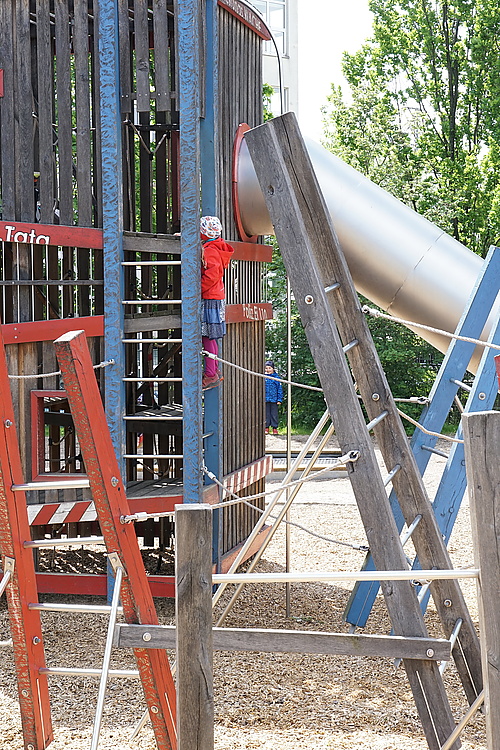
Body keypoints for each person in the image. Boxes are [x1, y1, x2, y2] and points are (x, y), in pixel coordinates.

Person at [200, 215, 234, 389]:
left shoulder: (211, 250)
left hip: (209, 297)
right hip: (215, 296)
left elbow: (212, 275)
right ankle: (213, 370)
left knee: (207, 336)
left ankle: (211, 374)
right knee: (210, 337)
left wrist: (197, 290)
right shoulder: (214, 246)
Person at [264, 360, 282, 434]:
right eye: (266, 368)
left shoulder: (276, 378)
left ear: (273, 369)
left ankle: (275, 428)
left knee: (274, 414)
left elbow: (279, 389)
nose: (268, 370)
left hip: (274, 400)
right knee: (266, 414)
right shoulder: (264, 377)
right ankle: (266, 427)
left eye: (269, 368)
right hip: (266, 399)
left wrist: (279, 399)